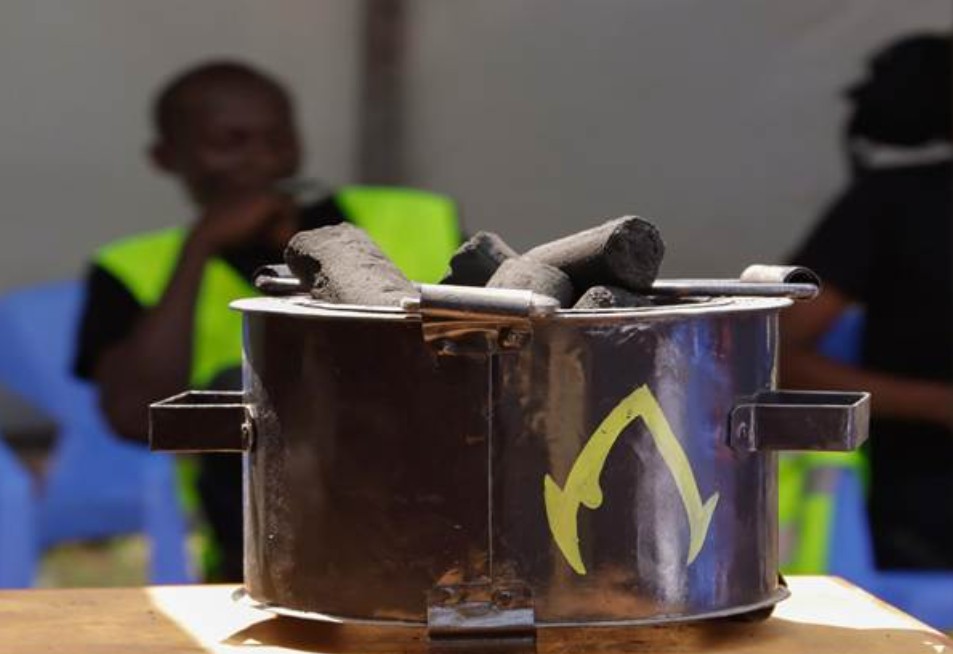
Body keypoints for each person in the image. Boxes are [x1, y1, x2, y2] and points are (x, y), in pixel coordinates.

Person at [73, 61, 461, 580]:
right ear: (166, 157)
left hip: (437, 519)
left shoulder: (416, 218)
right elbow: (131, 416)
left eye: (279, 137)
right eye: (230, 141)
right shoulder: (129, 269)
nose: (263, 157)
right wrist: (201, 246)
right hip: (257, 547)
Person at [782, 34, 953, 569]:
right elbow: (777, 355)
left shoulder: (888, 200)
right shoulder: (893, 204)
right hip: (926, 513)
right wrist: (937, 404)